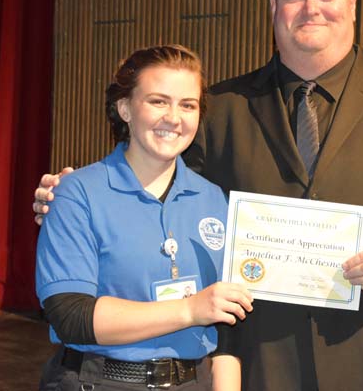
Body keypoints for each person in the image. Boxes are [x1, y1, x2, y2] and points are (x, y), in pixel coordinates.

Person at [35, 0, 363, 390]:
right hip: (256, 362)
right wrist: (74, 191)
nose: (311, 8)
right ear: (274, 5)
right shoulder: (220, 108)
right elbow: (156, 181)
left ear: (352, 3)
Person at [35, 44, 253, 390]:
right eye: (158, 101)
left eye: (188, 105)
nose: (174, 117)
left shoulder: (214, 200)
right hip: (98, 382)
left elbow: (231, 325)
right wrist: (189, 310)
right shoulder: (77, 193)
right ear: (124, 108)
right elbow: (71, 316)